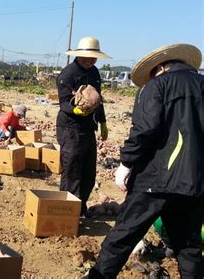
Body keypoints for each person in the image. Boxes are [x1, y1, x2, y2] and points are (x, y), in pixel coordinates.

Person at [88, 43, 203, 278]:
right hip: (195, 182)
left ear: (159, 67)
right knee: (189, 247)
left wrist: (126, 163)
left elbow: (144, 130)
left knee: (123, 236)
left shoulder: (157, 86)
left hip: (155, 180)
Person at [56, 36, 111, 217]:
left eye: (93, 58)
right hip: (70, 128)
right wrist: (76, 111)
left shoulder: (94, 73)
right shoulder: (67, 74)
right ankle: (66, 212)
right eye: (87, 57)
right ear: (79, 55)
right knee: (72, 171)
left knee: (88, 172)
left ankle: (80, 207)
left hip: (89, 128)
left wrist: (102, 122)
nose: (90, 61)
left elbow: (98, 100)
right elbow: (63, 103)